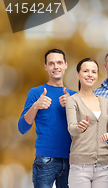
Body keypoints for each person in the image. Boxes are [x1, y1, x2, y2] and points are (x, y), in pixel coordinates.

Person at [18, 49, 77, 188]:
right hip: (45, 160)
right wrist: (36, 106)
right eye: (51, 63)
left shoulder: (74, 96)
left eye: (59, 62)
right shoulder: (36, 93)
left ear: (66, 65)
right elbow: (22, 128)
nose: (56, 66)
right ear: (46, 66)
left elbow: (84, 128)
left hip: (72, 160)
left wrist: (72, 105)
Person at [66, 58, 108, 187]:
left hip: (104, 167)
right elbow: (71, 128)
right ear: (78, 74)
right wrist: (79, 127)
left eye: (94, 72)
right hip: (80, 167)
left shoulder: (105, 102)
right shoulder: (72, 101)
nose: (90, 74)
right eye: (85, 71)